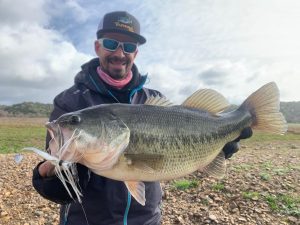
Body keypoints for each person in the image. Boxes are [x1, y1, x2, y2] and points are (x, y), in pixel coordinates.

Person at [32, 11, 252, 225]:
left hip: (147, 220)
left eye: (128, 47)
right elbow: (55, 190)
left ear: (135, 53)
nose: (119, 53)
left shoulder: (154, 98)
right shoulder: (70, 103)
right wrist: (51, 174)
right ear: (97, 46)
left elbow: (169, 156)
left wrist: (217, 148)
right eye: (110, 44)